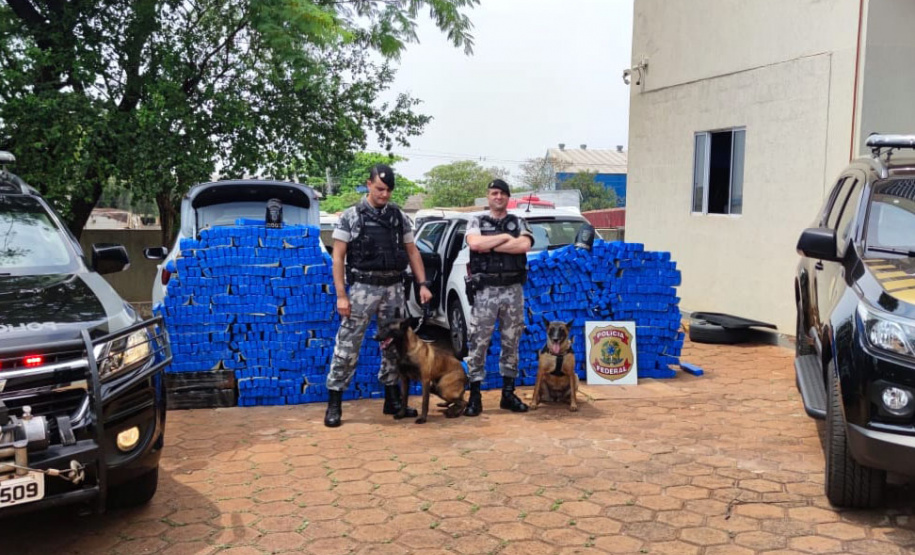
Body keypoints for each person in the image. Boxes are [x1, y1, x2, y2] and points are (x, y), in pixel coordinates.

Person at [324, 164, 433, 427]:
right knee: (348, 346)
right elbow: (338, 257)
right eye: (380, 189)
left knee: (395, 346)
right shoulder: (351, 216)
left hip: (394, 288)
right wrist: (341, 295)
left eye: (389, 190)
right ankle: (335, 403)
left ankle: (392, 399)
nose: (384, 194)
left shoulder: (399, 217)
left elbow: (413, 252)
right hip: (362, 288)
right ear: (369, 184)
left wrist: (423, 283)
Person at [463, 178, 534, 416]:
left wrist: (491, 244)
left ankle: (508, 393)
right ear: (488, 196)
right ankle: (474, 396)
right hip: (486, 291)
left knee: (511, 341)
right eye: (494, 193)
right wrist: (505, 239)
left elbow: (523, 246)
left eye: (502, 194)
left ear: (508, 197)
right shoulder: (476, 220)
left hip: (512, 290)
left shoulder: (518, 221)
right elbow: (474, 243)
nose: (498, 197)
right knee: (478, 342)